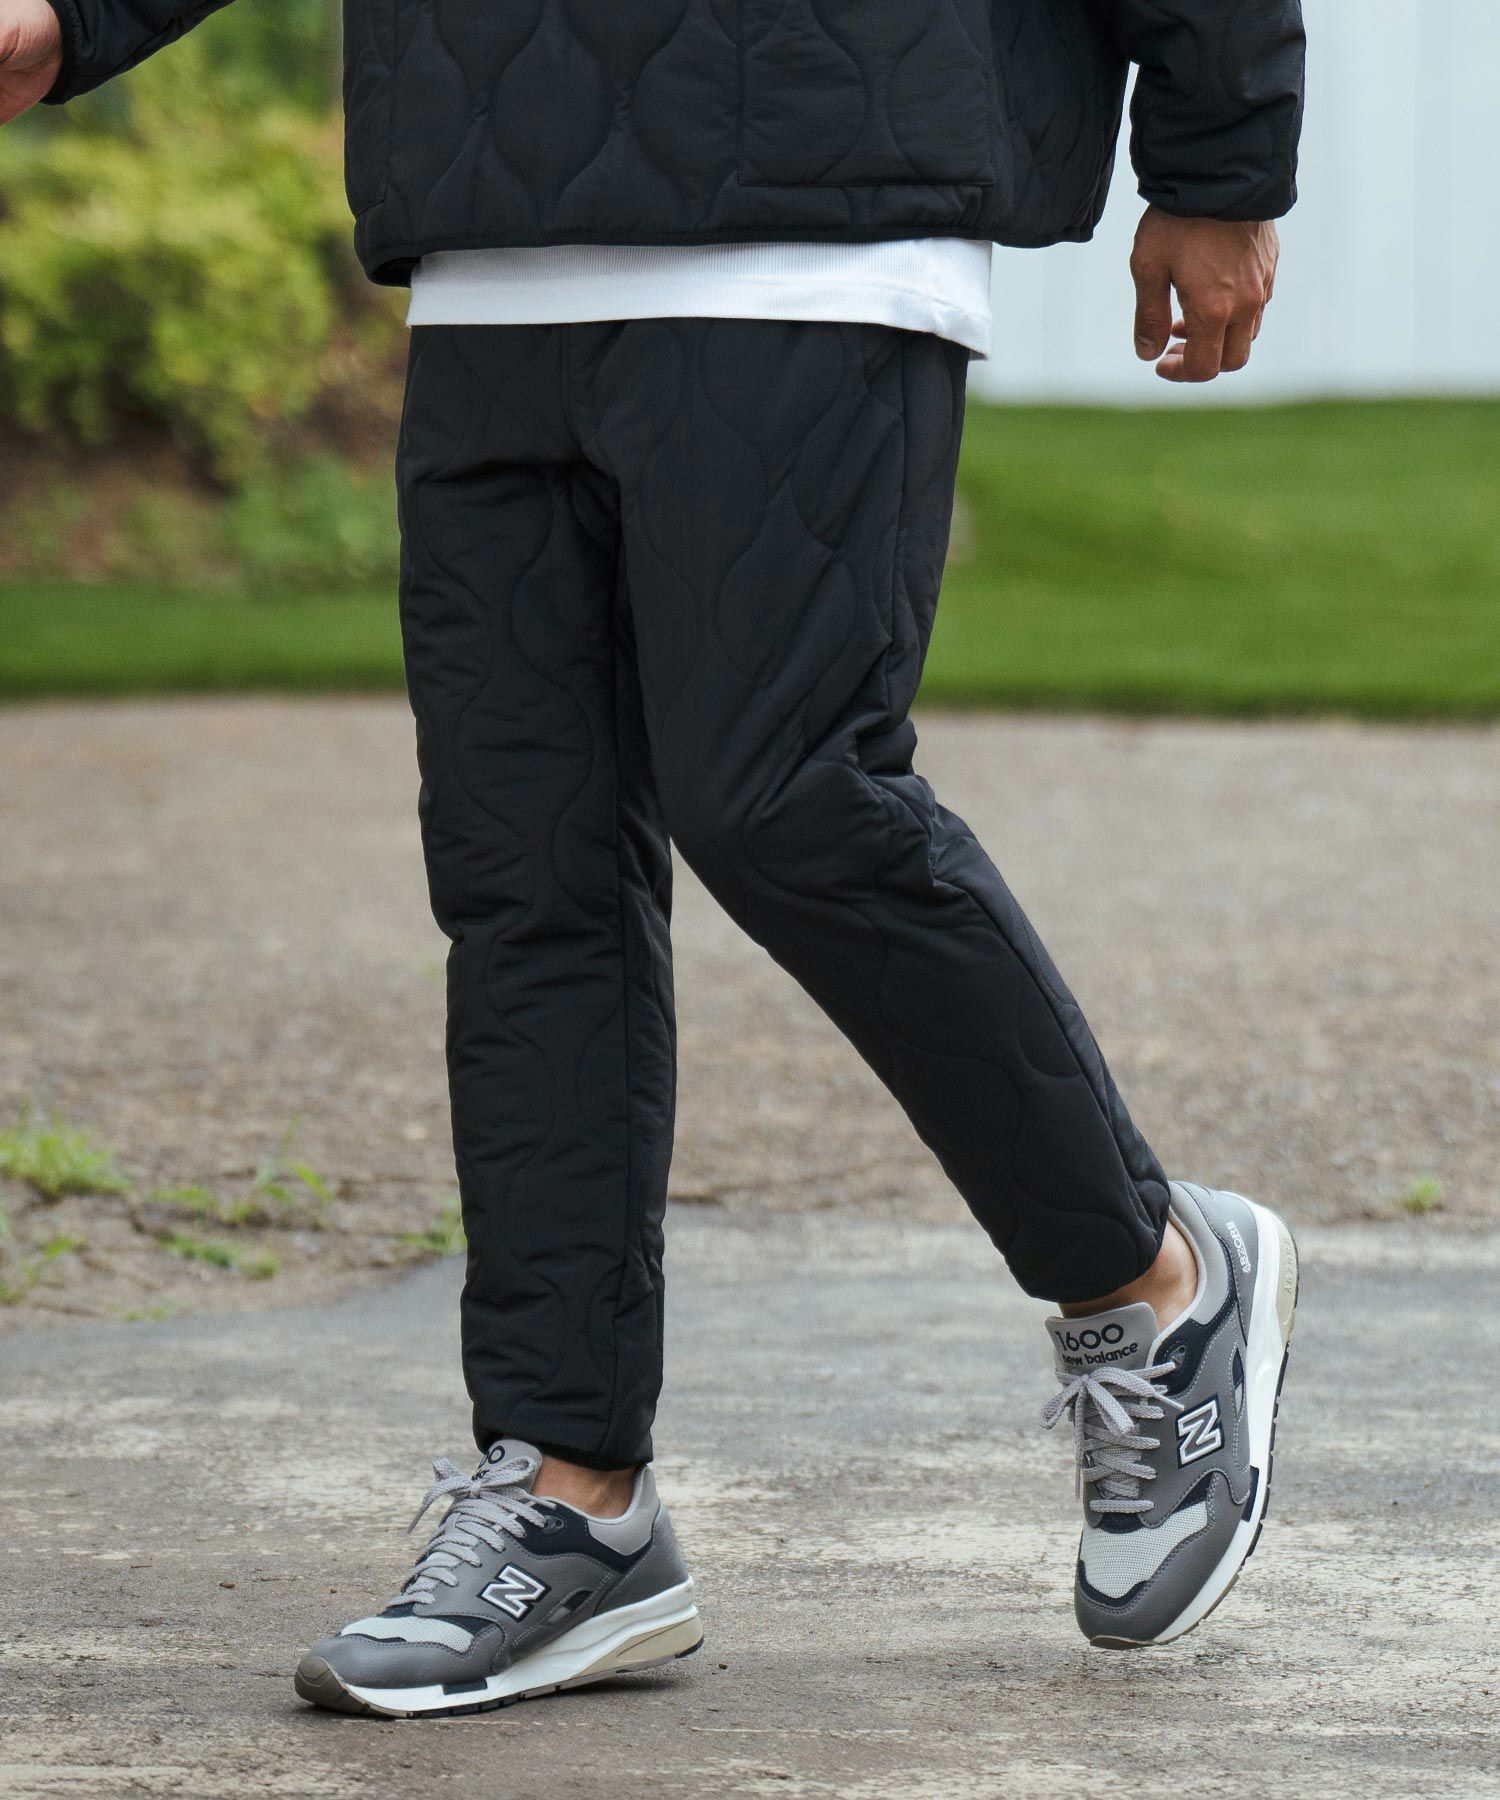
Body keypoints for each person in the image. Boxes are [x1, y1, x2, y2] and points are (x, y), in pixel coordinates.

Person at [2, 0, 1306, 1717]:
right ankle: (572, 1498)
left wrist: (1219, 155)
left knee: (787, 796)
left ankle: (1151, 1276)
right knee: (524, 876)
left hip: (819, 176)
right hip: (489, 207)